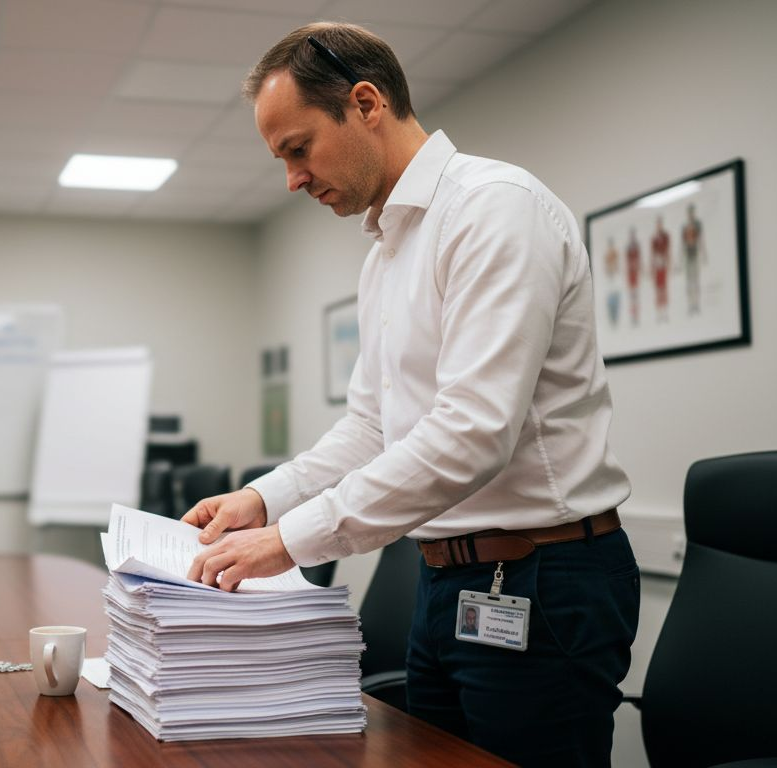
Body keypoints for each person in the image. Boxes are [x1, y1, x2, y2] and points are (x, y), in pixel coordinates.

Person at [181, 22, 640, 768]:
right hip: (444, 579)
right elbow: (372, 424)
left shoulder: (494, 208)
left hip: (543, 580)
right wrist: (264, 500)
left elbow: (473, 433)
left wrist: (292, 541)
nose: (292, 179)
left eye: (298, 148)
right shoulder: (384, 254)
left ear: (366, 103)